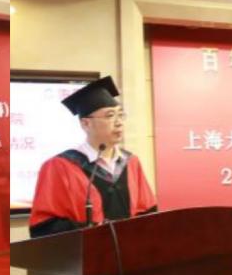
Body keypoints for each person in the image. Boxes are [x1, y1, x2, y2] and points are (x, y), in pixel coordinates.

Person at [29, 76, 157, 238]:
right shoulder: (59, 166)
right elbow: (44, 227)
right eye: (110, 116)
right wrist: (93, 232)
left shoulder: (131, 162)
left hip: (130, 251)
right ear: (86, 124)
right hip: (86, 252)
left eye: (120, 115)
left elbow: (148, 213)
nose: (119, 122)